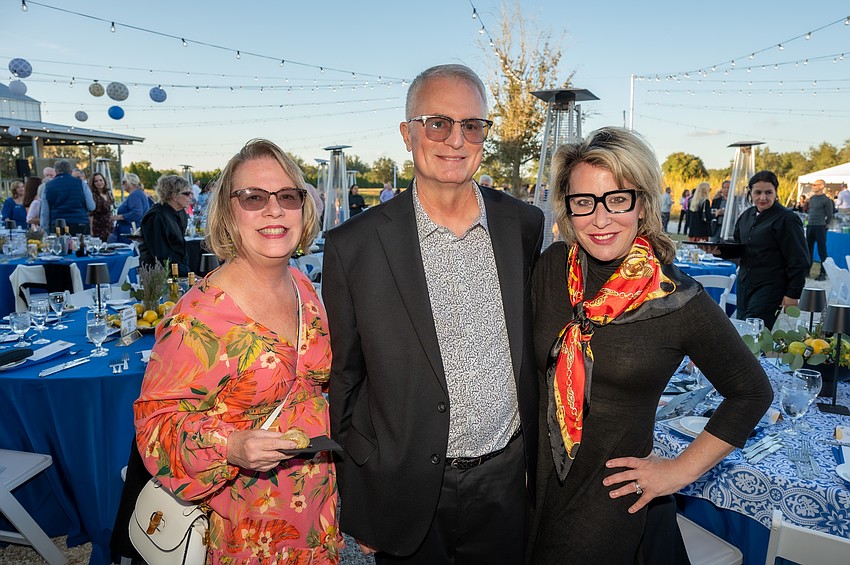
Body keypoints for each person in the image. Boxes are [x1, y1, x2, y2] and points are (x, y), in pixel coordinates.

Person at [324, 63, 544, 564]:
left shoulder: (523, 226)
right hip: (405, 488)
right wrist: (363, 491)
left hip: (506, 484)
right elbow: (344, 380)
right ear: (408, 134)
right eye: (437, 123)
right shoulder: (354, 246)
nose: (455, 140)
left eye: (472, 125)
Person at [527, 127, 773, 563]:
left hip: (609, 499)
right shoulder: (550, 270)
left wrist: (678, 471)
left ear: (642, 204)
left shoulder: (676, 298)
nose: (600, 219)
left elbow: (752, 391)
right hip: (532, 485)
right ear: (567, 208)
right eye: (584, 202)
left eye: (617, 199)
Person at [134, 138, 340, 563]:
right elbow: (154, 429)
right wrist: (230, 447)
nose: (273, 209)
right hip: (243, 530)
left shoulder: (302, 286)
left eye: (287, 196)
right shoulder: (200, 317)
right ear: (228, 212)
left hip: (315, 513)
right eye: (252, 197)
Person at [713, 170, 809, 329]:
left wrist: (792, 294)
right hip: (745, 284)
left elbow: (799, 259)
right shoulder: (746, 215)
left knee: (755, 332)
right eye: (758, 192)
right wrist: (719, 251)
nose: (763, 197)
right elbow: (740, 248)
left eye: (768, 192)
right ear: (750, 193)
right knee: (742, 329)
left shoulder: (787, 219)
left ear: (776, 192)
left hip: (771, 287)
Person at [138, 175, 192, 276]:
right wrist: (186, 274)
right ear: (174, 196)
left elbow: (181, 248)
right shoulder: (156, 217)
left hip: (176, 270)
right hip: (157, 275)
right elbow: (162, 255)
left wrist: (187, 272)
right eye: (186, 193)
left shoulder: (181, 213)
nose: (190, 197)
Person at [40, 159, 96, 234]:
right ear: (71, 171)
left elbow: (45, 211)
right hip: (80, 222)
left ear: (56, 171)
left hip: (57, 224)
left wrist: (45, 227)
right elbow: (91, 206)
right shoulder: (81, 184)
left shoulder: (47, 186)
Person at [110, 173, 150, 243]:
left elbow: (137, 213)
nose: (122, 184)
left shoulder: (135, 195)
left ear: (130, 182)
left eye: (124, 182)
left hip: (130, 233)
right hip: (135, 231)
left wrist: (119, 217)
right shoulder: (140, 194)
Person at [806, 179, 832, 281]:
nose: (813, 186)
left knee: (822, 250)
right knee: (808, 249)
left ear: (821, 186)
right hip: (811, 225)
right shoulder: (812, 199)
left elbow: (829, 214)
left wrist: (826, 223)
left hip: (820, 226)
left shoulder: (826, 200)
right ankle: (807, 270)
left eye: (815, 185)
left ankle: (822, 273)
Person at [88, 172, 114, 241]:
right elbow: (90, 214)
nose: (99, 183)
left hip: (109, 227)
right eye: (96, 181)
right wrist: (91, 230)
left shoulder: (108, 193)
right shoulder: (93, 195)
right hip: (98, 227)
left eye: (100, 180)